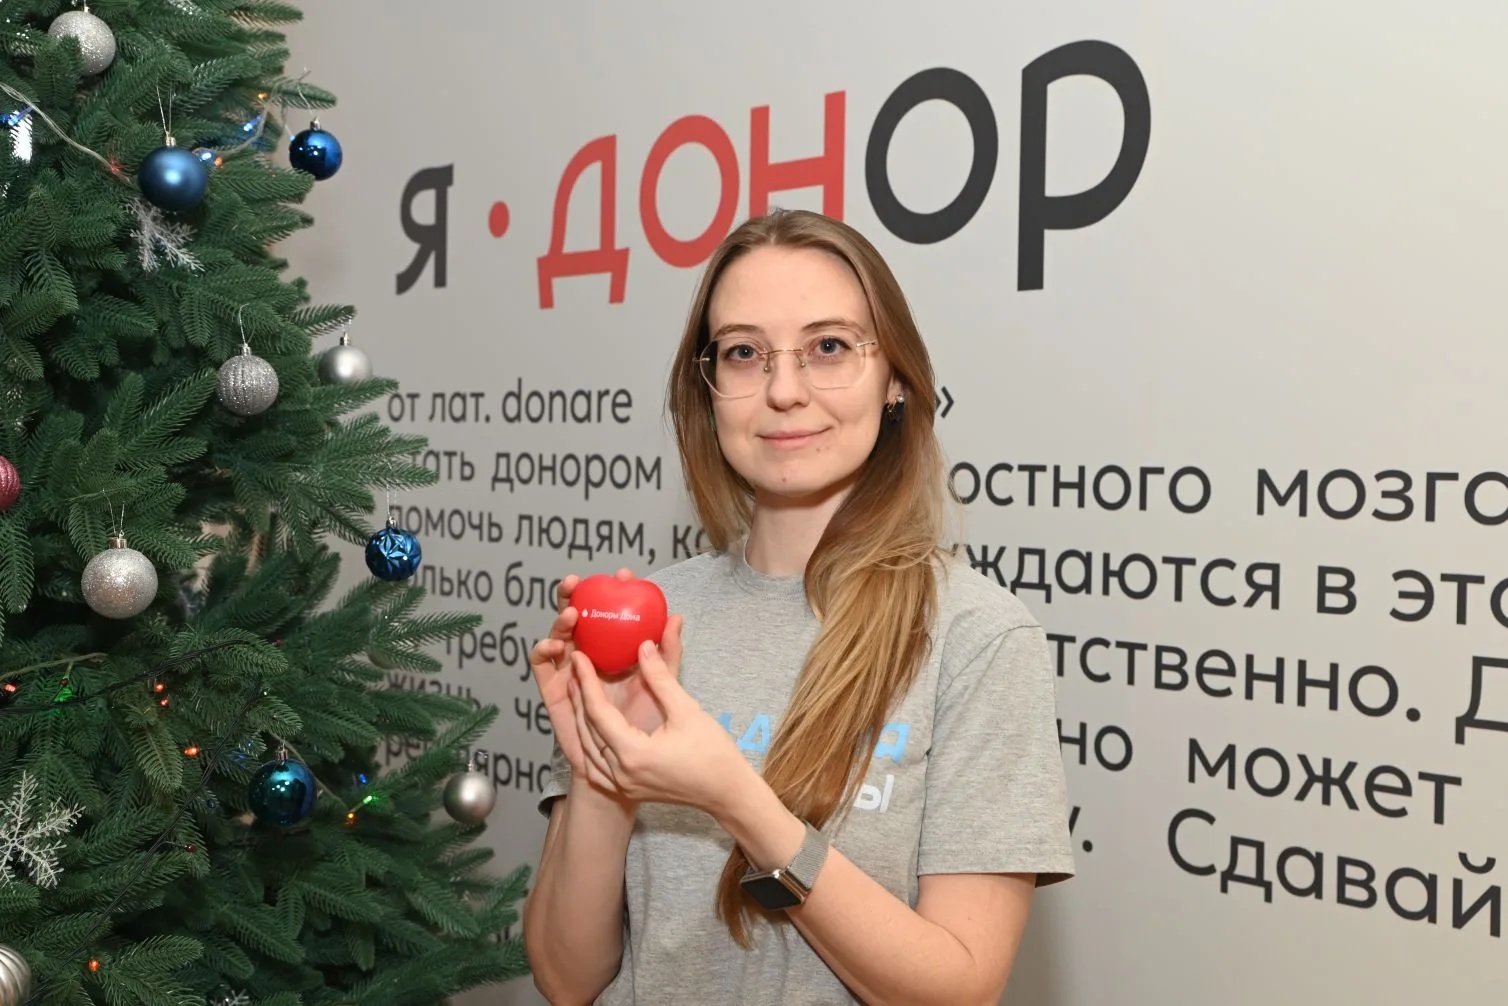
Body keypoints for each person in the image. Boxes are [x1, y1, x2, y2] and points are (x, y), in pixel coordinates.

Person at [523, 208, 1075, 1005]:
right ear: (708, 388)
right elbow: (566, 978)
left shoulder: (976, 637)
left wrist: (739, 800)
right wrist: (605, 776)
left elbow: (959, 992)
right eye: (744, 353)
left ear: (895, 380)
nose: (783, 391)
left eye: (829, 347)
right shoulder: (650, 622)